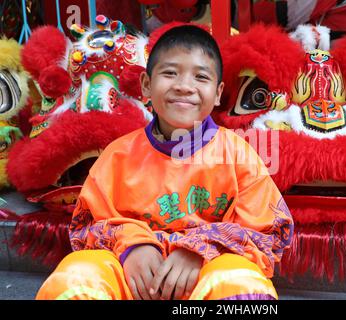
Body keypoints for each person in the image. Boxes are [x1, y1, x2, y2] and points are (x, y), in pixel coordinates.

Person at [35, 24, 294, 300]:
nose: (184, 87)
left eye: (200, 77)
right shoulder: (117, 155)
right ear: (146, 84)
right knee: (77, 274)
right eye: (170, 73)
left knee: (240, 281)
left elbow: (269, 231)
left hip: (204, 281)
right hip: (133, 284)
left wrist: (202, 247)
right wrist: (132, 246)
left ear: (218, 93)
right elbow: (86, 226)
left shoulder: (239, 156)